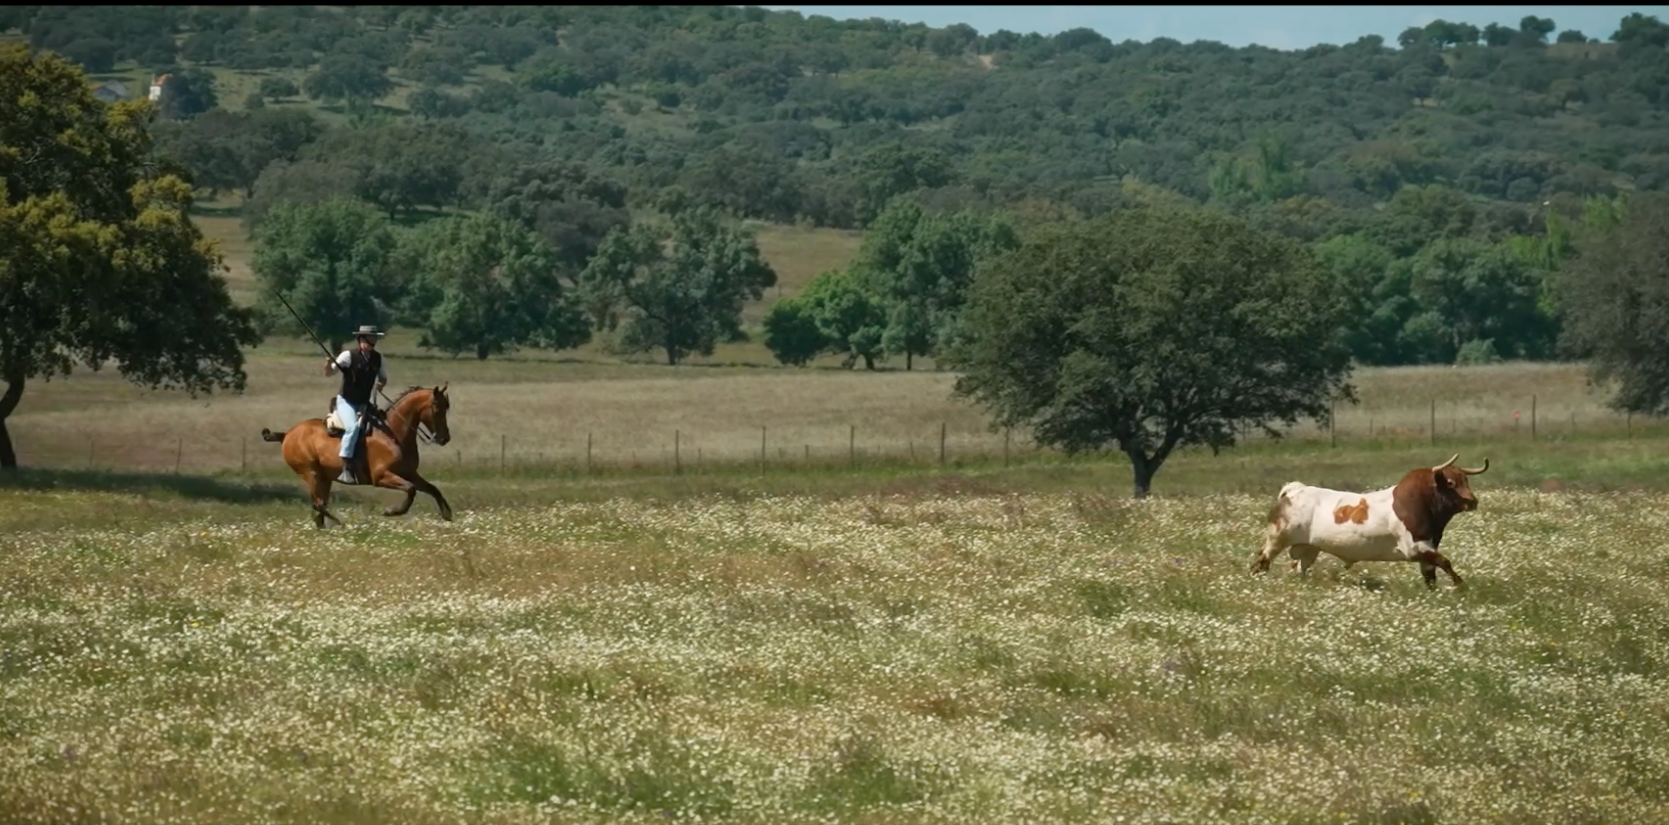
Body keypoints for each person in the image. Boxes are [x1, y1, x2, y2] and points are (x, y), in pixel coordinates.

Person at [325, 324, 388, 484]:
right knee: (353, 428)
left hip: (364, 402)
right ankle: (346, 468)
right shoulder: (348, 356)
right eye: (371, 339)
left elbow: (383, 378)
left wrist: (381, 384)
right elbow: (330, 373)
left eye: (375, 339)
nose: (373, 343)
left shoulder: (378, 358)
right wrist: (327, 364)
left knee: (383, 426)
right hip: (346, 401)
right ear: (361, 339)